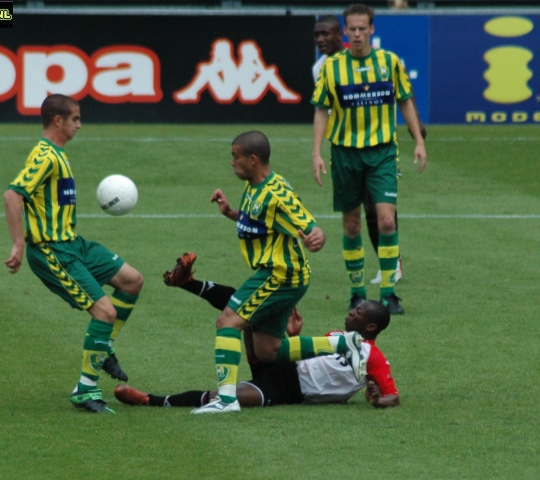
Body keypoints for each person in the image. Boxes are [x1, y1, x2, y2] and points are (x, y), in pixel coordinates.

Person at [190, 131, 366, 415]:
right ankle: (343, 343)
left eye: (235, 156)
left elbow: (310, 226)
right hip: (276, 274)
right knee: (268, 350)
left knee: (227, 321)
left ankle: (226, 399)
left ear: (253, 158)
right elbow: (258, 220)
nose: (232, 162)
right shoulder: (254, 186)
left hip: (280, 275)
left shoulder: (277, 193)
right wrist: (230, 212)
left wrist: (316, 238)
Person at [3, 94, 144, 414]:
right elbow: (12, 196)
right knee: (105, 313)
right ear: (58, 121)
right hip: (54, 251)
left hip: (74, 244)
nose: (80, 125)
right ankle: (85, 390)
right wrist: (18, 244)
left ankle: (103, 347)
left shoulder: (57, 154)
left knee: (132, 281)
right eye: (75, 119)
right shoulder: (45, 156)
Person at [116, 268, 399, 409]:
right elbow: (312, 358)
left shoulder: (372, 356)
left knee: (226, 397)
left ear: (371, 325)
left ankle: (150, 400)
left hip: (289, 391)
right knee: (252, 308)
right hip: (283, 364)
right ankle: (190, 283)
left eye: (358, 312)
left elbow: (392, 396)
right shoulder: (336, 336)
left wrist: (378, 400)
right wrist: (293, 337)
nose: (351, 312)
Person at [311, 4, 427, 315]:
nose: (358, 34)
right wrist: (316, 152)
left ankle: (388, 294)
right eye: (353, 29)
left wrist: (418, 141)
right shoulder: (331, 67)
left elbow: (404, 100)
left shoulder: (389, 62)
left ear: (372, 30)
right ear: (345, 32)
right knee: (351, 226)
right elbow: (321, 110)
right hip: (345, 154)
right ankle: (357, 293)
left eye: (363, 28)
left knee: (387, 220)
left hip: (382, 152)